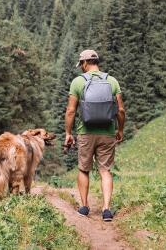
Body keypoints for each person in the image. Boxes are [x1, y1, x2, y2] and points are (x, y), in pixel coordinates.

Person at [64, 49, 125, 222]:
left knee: (84, 169)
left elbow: (70, 111)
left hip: (86, 132)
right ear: (97, 62)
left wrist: (68, 133)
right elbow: (120, 110)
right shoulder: (112, 81)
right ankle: (106, 209)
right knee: (105, 170)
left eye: (81, 64)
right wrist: (120, 130)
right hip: (107, 132)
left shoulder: (78, 82)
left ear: (84, 63)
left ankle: (84, 207)